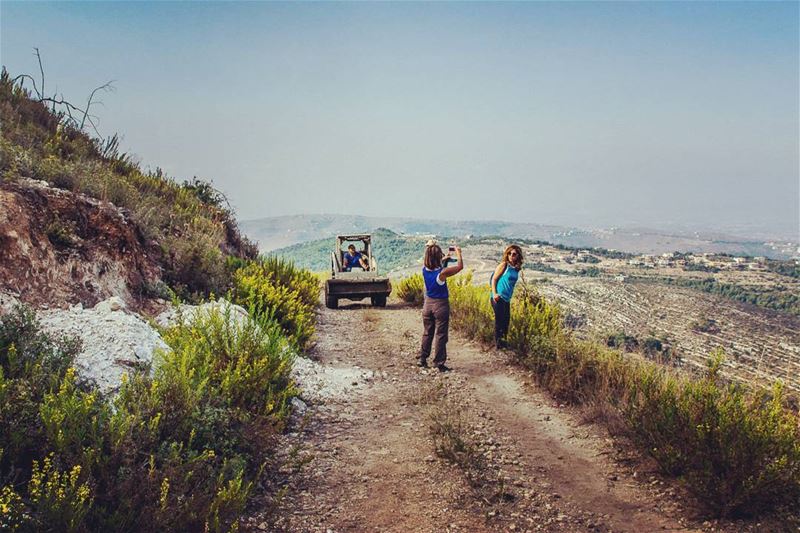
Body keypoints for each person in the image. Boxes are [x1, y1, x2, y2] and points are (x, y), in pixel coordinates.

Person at [419, 242, 463, 371]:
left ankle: (422, 358)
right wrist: (458, 253)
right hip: (440, 305)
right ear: (438, 257)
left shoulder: (424, 270)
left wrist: (445, 258)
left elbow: (434, 264)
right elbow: (460, 267)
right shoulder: (442, 273)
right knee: (441, 334)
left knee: (427, 332)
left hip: (427, 304)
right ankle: (439, 363)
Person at [490, 244, 524, 349]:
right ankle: (499, 345)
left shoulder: (516, 268)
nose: (511, 256)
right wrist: (495, 293)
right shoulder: (504, 265)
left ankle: (504, 343)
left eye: (514, 254)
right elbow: (494, 279)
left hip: (507, 298)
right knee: (499, 321)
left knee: (506, 321)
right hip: (498, 297)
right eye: (509, 253)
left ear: (518, 256)